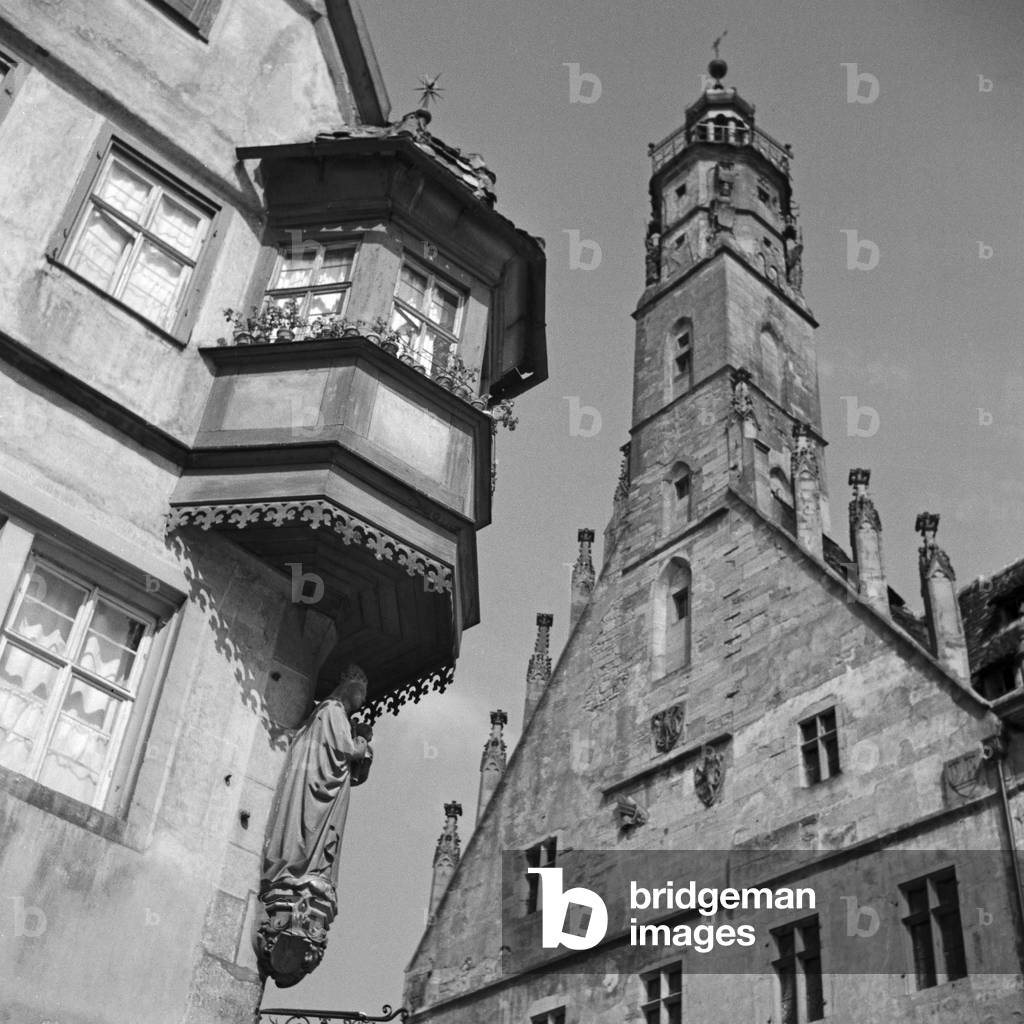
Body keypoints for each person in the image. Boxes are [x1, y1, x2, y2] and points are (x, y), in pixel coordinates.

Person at [257, 663, 374, 985]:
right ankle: (303, 876)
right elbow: (349, 751)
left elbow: (348, 763)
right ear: (349, 688)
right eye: (361, 693)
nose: (363, 701)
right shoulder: (333, 711)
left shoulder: (326, 715)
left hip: (323, 796)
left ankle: (308, 875)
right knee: (310, 839)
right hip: (315, 798)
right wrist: (363, 740)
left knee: (317, 844)